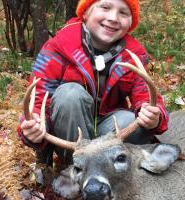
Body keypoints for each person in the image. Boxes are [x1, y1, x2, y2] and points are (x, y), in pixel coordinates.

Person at [18, 0, 169, 167]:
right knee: (70, 95)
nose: (113, 18)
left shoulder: (133, 55)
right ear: (86, 12)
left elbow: (145, 96)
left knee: (132, 121)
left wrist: (153, 116)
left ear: (131, 22)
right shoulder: (58, 47)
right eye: (105, 7)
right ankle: (74, 169)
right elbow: (37, 102)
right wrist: (34, 126)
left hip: (109, 131)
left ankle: (112, 173)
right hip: (70, 134)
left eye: (123, 13)